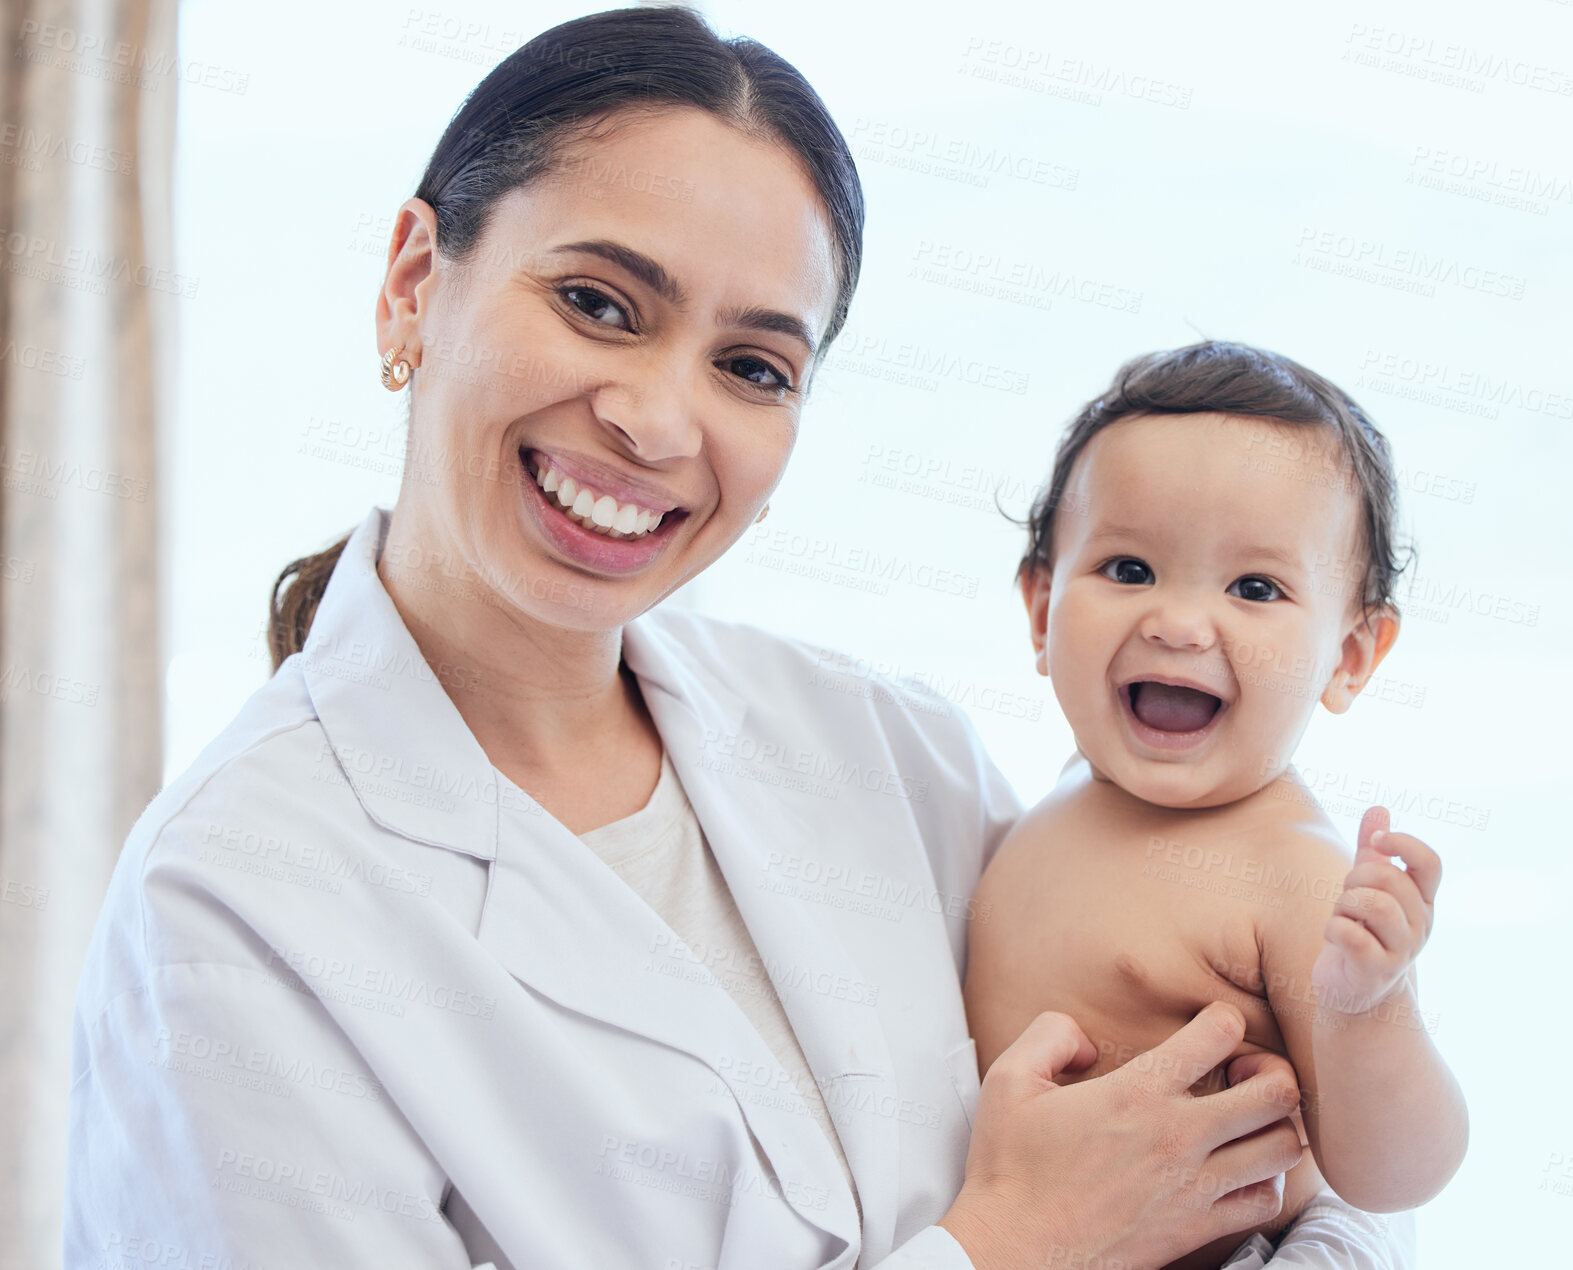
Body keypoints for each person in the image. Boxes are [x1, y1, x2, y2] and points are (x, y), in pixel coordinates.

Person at [63, 10, 1415, 1269]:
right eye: (598, 301)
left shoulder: (889, 752)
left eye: (754, 367)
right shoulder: (233, 909)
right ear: (415, 280)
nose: (657, 421)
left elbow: (1286, 1148)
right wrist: (997, 1247)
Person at [964, 343, 1463, 1270]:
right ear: (1040, 611)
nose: (1178, 622)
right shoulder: (1078, 780)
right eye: (1127, 569)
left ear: (1349, 656)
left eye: (1253, 588)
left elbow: (1395, 1178)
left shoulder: (1289, 873)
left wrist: (1370, 1007)